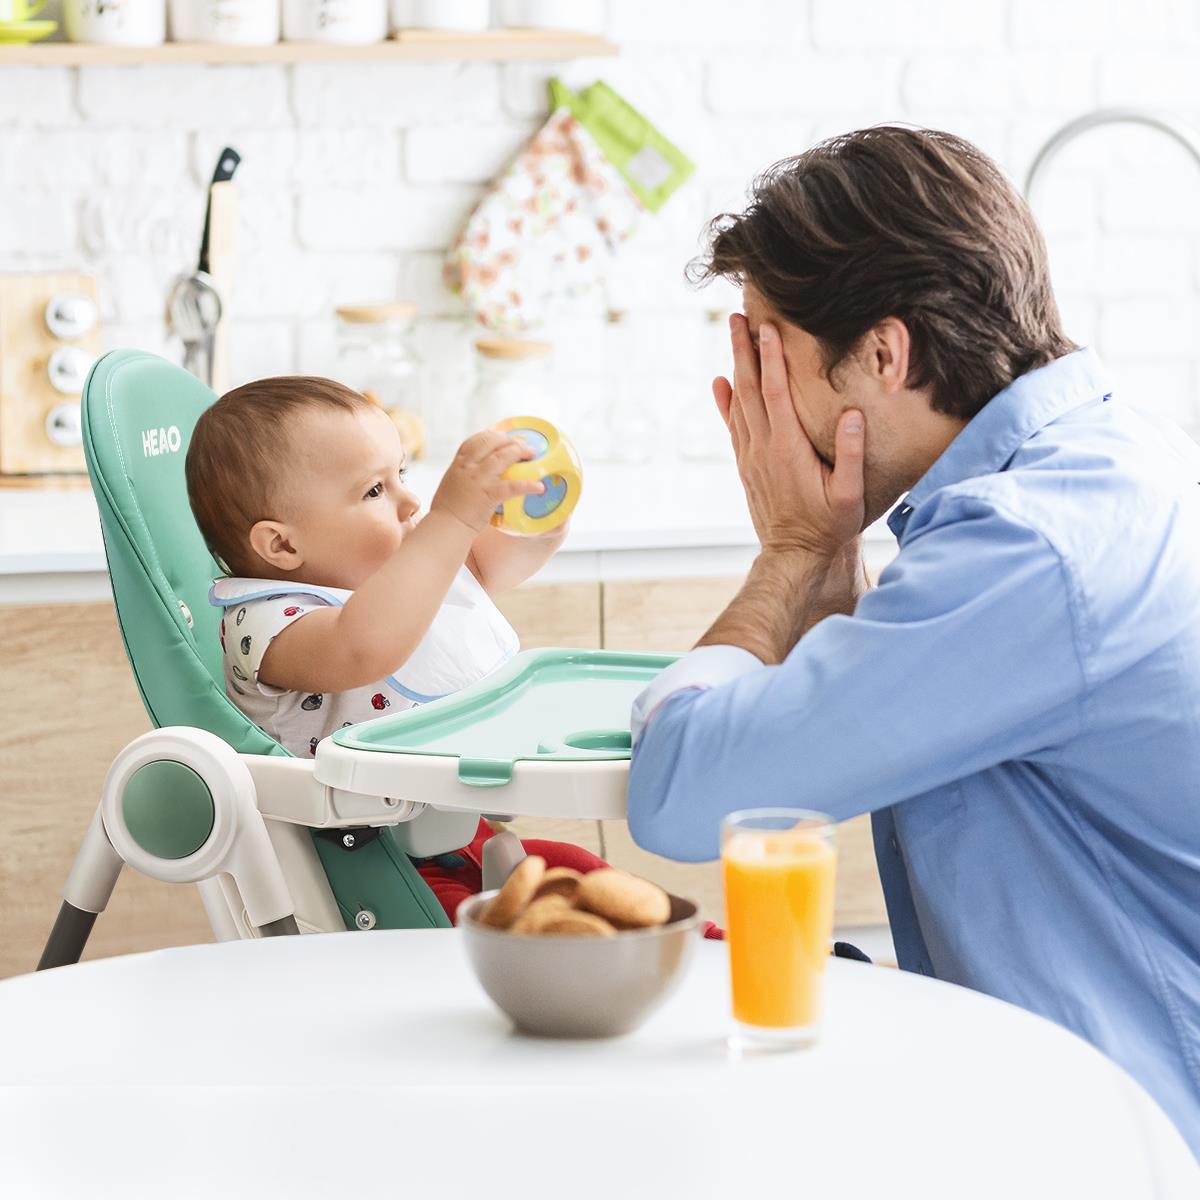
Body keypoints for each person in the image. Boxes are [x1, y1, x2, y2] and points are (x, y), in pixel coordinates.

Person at [627, 126, 1200, 1153]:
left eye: (770, 358)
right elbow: (858, 716)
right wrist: (829, 563)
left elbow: (680, 795)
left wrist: (794, 549)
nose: (756, 403)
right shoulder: (1107, 460)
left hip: (1135, 1128)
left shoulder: (1028, 553)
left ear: (882, 355)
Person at [185, 377, 609, 922]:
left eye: (401, 475)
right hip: (365, 868)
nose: (411, 503)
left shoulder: (389, 574)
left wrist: (538, 517)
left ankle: (709, 947)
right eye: (374, 491)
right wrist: (450, 520)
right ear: (283, 545)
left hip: (454, 834)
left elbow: (478, 568)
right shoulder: (267, 624)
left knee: (580, 872)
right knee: (528, 933)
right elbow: (362, 647)